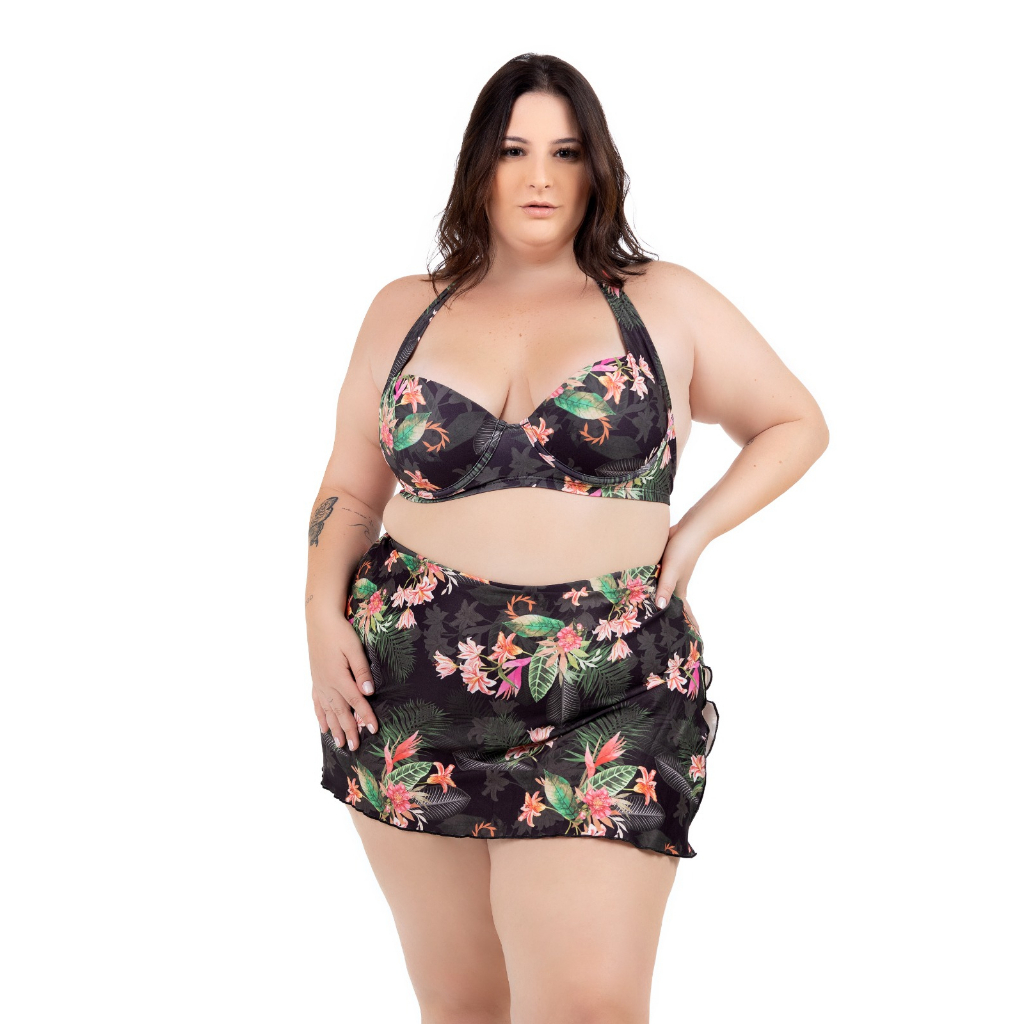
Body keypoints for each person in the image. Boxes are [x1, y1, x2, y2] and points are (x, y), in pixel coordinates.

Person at [305, 52, 828, 1024]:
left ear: (597, 168)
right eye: (514, 151)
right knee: (466, 1006)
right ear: (479, 165)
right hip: (408, 682)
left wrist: (693, 535)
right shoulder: (404, 308)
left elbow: (795, 422)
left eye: (565, 152)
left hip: (613, 683)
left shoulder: (663, 300)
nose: (539, 177)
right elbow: (349, 486)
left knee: (588, 1005)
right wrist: (316, 613)